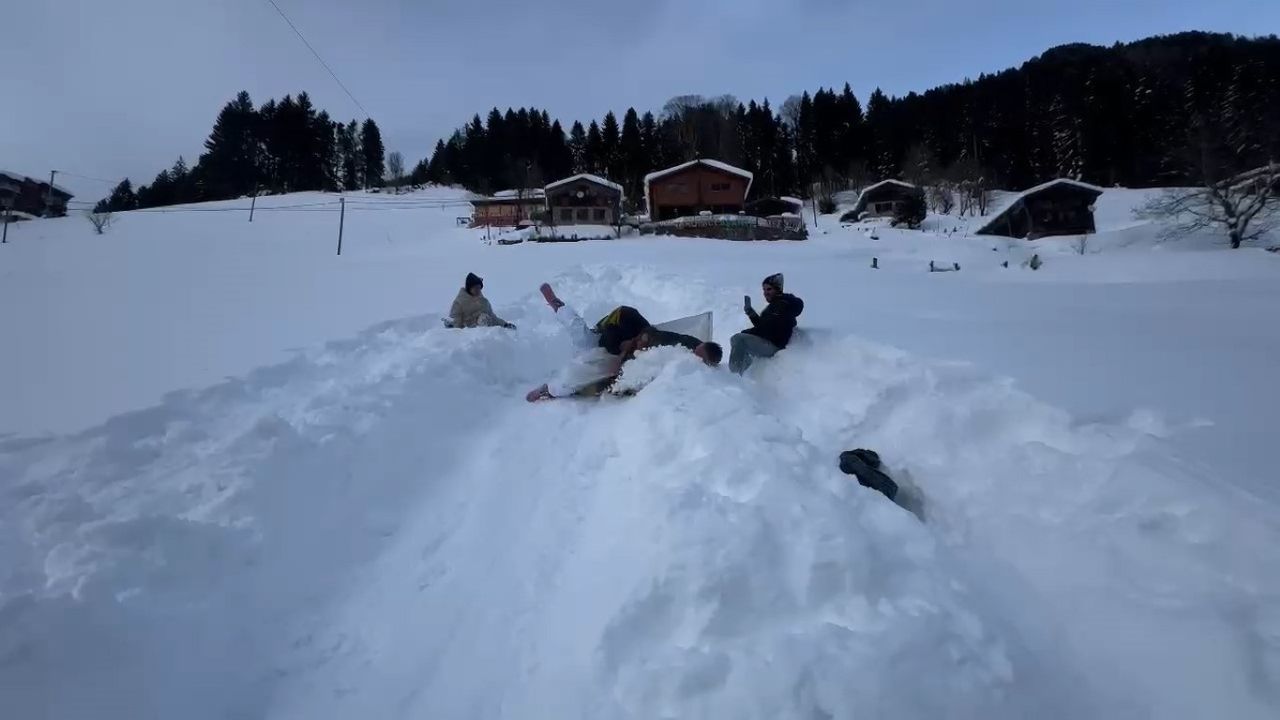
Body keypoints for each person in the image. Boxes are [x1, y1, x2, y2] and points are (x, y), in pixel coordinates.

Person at [526, 283, 722, 402]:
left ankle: (549, 390)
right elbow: (646, 337)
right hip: (604, 344)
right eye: (699, 351)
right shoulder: (624, 322)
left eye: (700, 356)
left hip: (615, 357)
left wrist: (623, 358)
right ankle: (557, 305)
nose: (696, 355)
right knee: (580, 336)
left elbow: (652, 356)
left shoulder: (689, 357)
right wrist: (626, 348)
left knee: (579, 372)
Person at [729, 273, 804, 374]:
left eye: (769, 289)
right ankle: (743, 373)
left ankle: (734, 375)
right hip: (770, 341)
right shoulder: (776, 305)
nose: (765, 293)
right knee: (739, 339)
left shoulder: (781, 305)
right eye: (764, 290)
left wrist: (748, 331)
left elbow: (767, 330)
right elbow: (764, 326)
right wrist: (750, 312)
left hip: (774, 345)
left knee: (739, 339)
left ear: (777, 289)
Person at [448, 273, 515, 329]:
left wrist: (505, 324)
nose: (478, 290)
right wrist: (456, 332)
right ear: (469, 288)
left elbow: (493, 317)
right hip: (468, 332)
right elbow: (457, 322)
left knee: (484, 317)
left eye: (479, 288)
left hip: (483, 330)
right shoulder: (459, 302)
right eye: (475, 288)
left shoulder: (483, 302)